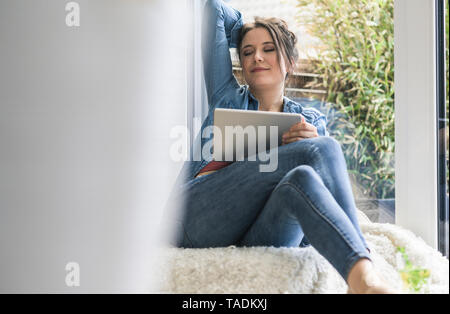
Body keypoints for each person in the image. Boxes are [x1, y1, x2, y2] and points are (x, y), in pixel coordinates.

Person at [165, 0, 397, 294]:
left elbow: (306, 234)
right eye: (247, 52)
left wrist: (308, 147)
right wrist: (250, 28)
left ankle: (357, 280)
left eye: (269, 49)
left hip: (261, 231)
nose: (257, 57)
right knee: (322, 150)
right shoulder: (227, 97)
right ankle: (367, 275)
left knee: (303, 177)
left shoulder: (310, 122)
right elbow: (213, 8)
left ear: (289, 61)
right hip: (196, 217)